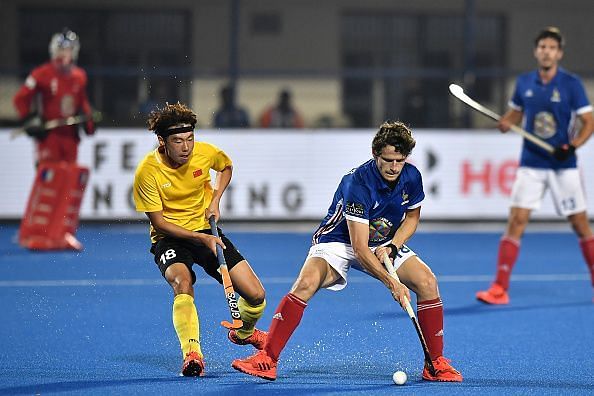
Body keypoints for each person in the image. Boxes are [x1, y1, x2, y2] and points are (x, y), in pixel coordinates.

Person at [231, 121, 462, 382]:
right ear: (376, 154)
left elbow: (411, 219)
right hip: (339, 240)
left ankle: (435, 363)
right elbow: (360, 249)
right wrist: (392, 283)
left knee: (428, 281)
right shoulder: (358, 183)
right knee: (306, 283)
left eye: (400, 160)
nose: (394, 167)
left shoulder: (411, 176)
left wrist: (393, 245)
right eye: (388, 160)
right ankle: (268, 358)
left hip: (381, 239)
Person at [132, 102, 267, 377]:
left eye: (190, 139)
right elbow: (159, 222)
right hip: (170, 238)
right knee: (182, 283)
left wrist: (216, 200)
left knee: (256, 295)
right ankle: (192, 353)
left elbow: (226, 166)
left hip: (208, 231)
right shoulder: (147, 172)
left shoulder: (204, 154)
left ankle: (244, 333)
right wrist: (198, 239)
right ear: (162, 142)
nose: (186, 147)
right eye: (178, 141)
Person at [476, 27, 594, 305]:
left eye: (552, 48)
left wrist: (573, 146)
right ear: (536, 51)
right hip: (531, 163)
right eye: (542, 47)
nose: (546, 51)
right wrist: (508, 121)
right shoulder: (524, 82)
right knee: (516, 221)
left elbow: (589, 122)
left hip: (563, 165)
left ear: (559, 53)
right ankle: (499, 288)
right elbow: (517, 112)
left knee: (579, 224)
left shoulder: (572, 84)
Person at [13, 28, 95, 165]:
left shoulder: (79, 76)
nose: (66, 54)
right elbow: (20, 99)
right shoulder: (41, 74)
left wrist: (89, 122)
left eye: (70, 50)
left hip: (70, 137)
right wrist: (29, 119)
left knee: (70, 178)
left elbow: (83, 103)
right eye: (63, 50)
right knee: (50, 177)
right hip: (49, 136)